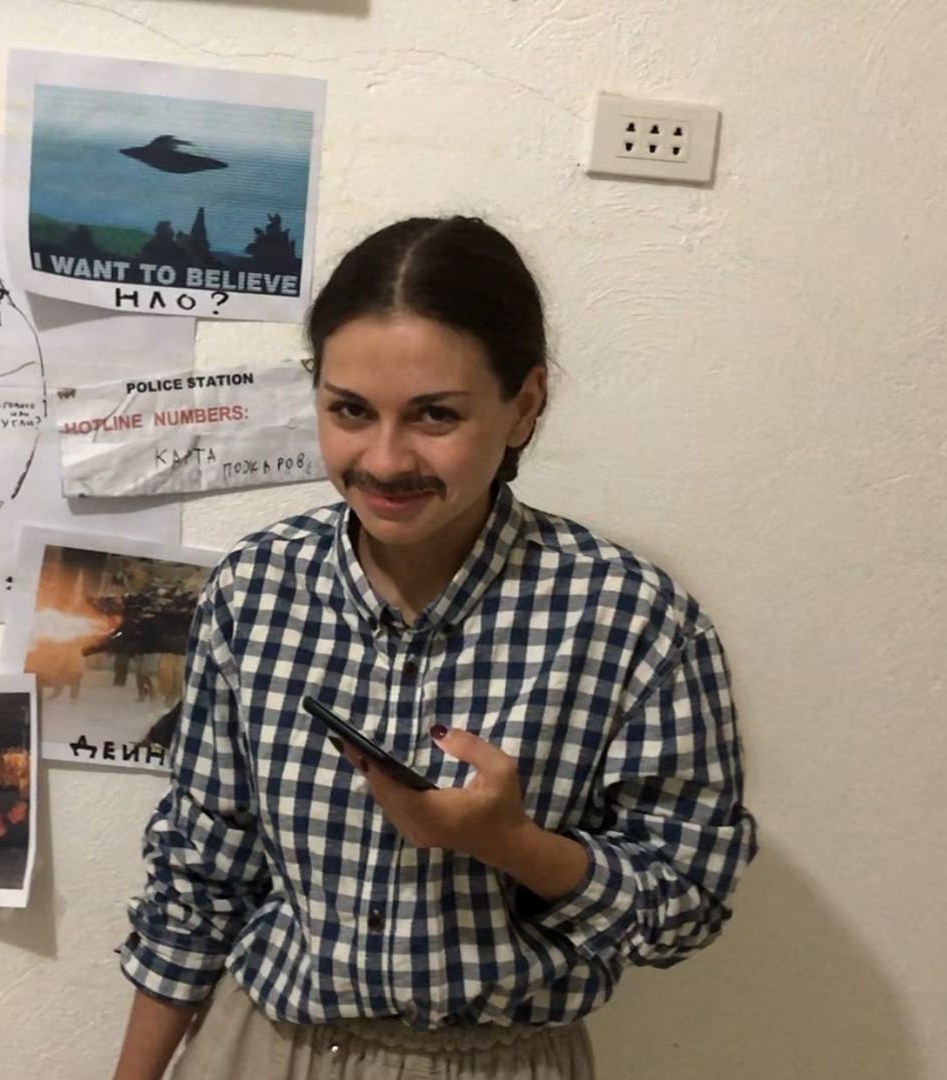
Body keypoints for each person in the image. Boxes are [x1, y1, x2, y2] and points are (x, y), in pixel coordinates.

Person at [112, 216, 758, 1080]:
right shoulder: (255, 589)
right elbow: (199, 879)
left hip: (500, 1061)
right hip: (260, 1045)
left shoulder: (633, 620)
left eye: (436, 415)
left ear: (523, 405)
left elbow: (688, 906)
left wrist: (514, 843)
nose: (385, 460)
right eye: (350, 410)